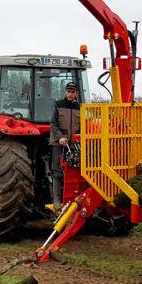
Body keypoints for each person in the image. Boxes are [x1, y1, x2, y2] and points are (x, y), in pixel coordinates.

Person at [49, 80, 81, 210]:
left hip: (74, 145)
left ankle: (73, 199)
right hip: (59, 143)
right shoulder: (58, 105)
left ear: (76, 93)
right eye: (68, 91)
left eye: (73, 92)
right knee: (57, 172)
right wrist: (60, 137)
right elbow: (53, 124)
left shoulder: (79, 107)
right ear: (65, 92)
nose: (70, 94)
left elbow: (82, 126)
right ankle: (57, 200)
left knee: (74, 172)